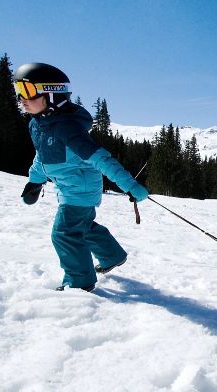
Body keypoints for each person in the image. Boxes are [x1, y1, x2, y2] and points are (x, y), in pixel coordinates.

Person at [15, 62, 148, 292]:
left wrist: (130, 185)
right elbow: (43, 156)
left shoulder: (68, 129)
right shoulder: (37, 124)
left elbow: (101, 159)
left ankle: (79, 282)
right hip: (67, 187)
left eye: (27, 91)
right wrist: (34, 180)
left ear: (52, 94)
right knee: (82, 226)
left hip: (80, 189)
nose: (21, 98)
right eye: (18, 90)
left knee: (65, 233)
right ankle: (112, 256)